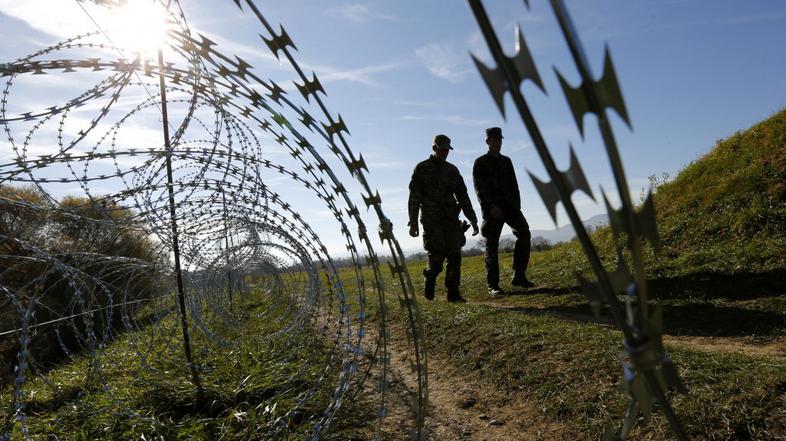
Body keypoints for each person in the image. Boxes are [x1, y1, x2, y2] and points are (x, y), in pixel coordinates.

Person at [408, 134, 479, 303]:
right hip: (431, 220)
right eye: (442, 150)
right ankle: (430, 276)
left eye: (447, 150)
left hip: (451, 218)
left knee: (455, 254)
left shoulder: (452, 170)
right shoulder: (422, 168)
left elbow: (463, 196)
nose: (445, 153)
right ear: (434, 148)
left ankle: (453, 292)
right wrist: (413, 222)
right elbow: (414, 197)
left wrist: (473, 219)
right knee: (437, 256)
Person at [472, 127, 535, 297]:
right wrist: (491, 207)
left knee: (524, 233)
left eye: (500, 140)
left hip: (510, 207)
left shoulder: (506, 161)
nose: (498, 143)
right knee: (491, 246)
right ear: (488, 141)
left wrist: (517, 206)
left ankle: (519, 276)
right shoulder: (480, 162)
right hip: (492, 210)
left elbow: (514, 185)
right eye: (494, 140)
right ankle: (493, 286)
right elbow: (479, 189)